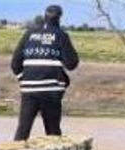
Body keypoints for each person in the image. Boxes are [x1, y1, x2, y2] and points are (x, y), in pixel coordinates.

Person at [10, 5, 80, 141]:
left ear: (44, 16)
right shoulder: (61, 35)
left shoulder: (29, 34)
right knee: (53, 133)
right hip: (51, 91)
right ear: (60, 18)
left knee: (23, 131)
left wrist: (24, 79)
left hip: (29, 89)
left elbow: (15, 64)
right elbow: (72, 64)